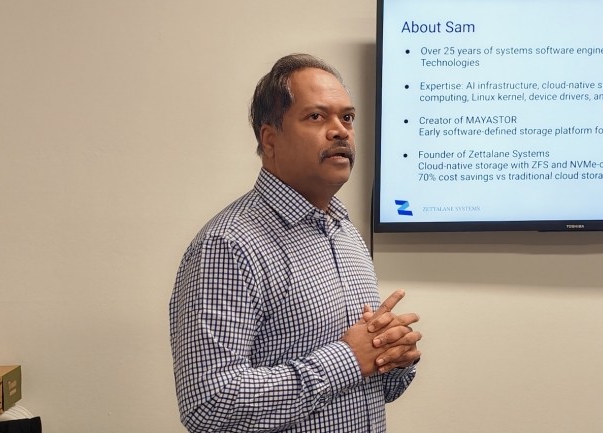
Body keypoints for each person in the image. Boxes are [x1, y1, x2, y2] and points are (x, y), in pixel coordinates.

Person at [169, 53, 422, 433]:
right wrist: (348, 359)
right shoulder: (228, 245)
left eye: (347, 118)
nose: (340, 131)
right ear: (270, 139)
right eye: (316, 116)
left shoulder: (345, 232)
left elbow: (368, 387)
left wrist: (393, 358)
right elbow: (208, 406)